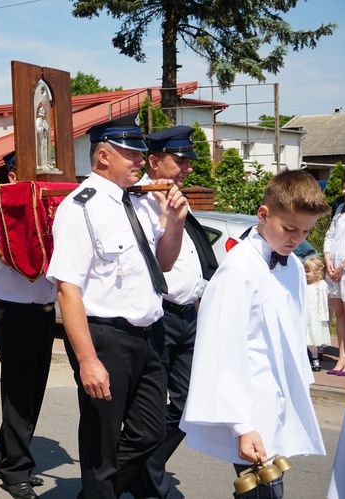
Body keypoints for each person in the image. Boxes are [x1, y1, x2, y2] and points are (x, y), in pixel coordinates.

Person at [46, 114, 188, 499]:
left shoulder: (141, 201)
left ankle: (94, 491)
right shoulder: (81, 208)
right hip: (106, 338)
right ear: (103, 156)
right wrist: (88, 360)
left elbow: (164, 263)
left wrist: (174, 222)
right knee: (102, 442)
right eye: (131, 153)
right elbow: (67, 289)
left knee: (150, 434)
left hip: (149, 334)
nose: (141, 160)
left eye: (141, 152)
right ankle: (98, 489)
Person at [181, 170, 329, 498]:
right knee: (264, 491)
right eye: (289, 228)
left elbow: (292, 333)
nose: (296, 239)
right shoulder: (238, 270)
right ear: (263, 215)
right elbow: (220, 350)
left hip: (279, 400)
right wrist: (241, 425)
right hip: (249, 406)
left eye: (305, 231)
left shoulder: (290, 265)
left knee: (269, 492)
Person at [131, 126, 219, 497]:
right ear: (153, 161)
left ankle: (137, 470)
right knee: (150, 411)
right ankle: (150, 481)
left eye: (188, 162)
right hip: (160, 317)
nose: (186, 168)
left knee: (187, 406)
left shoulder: (178, 199)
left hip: (189, 317)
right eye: (179, 160)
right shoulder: (135, 203)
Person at [0, 151, 56, 499]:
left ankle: (7, 454)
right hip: (13, 312)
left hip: (43, 311)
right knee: (19, 393)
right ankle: (16, 470)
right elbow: (11, 257)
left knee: (32, 392)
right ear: (12, 179)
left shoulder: (48, 216)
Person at [324, 174, 345, 376]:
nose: (343, 191)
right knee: (340, 315)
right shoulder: (341, 209)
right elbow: (329, 235)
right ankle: (342, 356)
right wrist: (327, 259)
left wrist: (342, 267)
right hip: (334, 268)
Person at [304, 256, 330, 372]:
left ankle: (315, 359)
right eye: (305, 271)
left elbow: (323, 302)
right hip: (304, 314)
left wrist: (323, 318)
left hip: (313, 315)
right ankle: (306, 359)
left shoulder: (321, 285)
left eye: (308, 271)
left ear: (318, 273)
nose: (305, 274)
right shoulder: (303, 284)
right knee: (305, 339)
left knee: (312, 340)